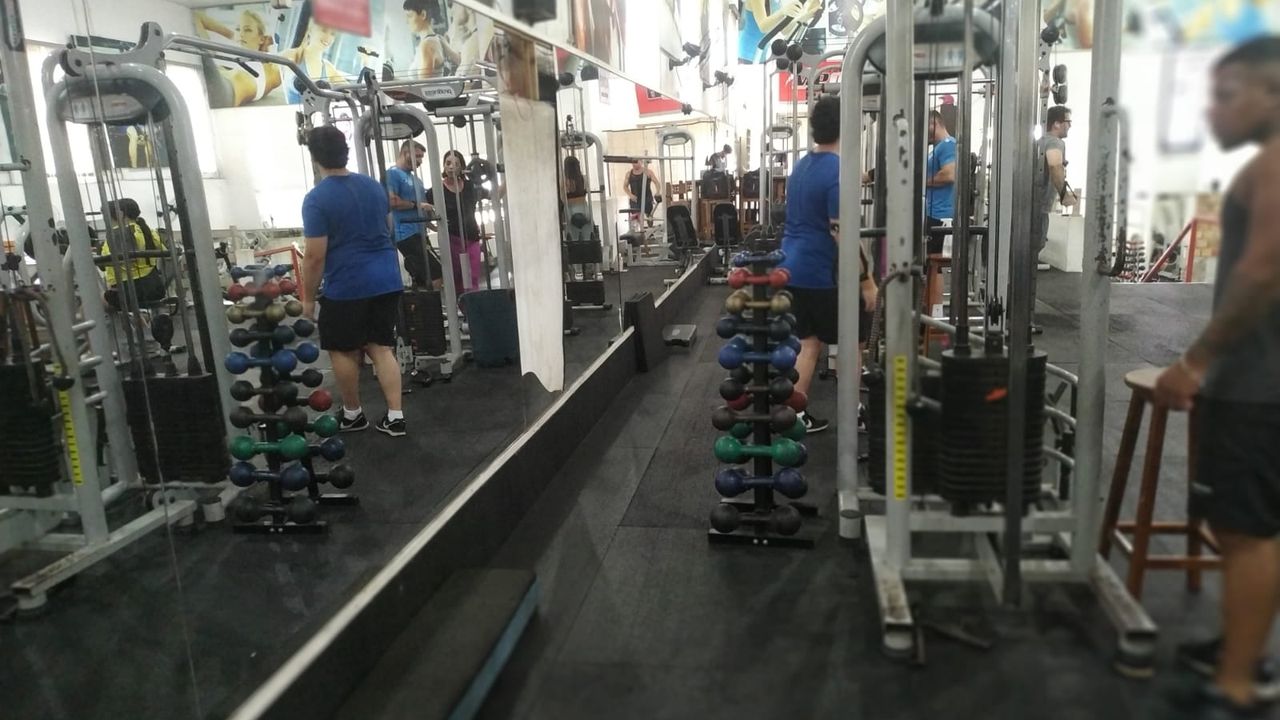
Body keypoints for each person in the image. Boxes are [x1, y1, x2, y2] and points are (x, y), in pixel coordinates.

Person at [1152, 35, 1280, 720]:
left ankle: (1238, 685)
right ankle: (1243, 649)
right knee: (1246, 527)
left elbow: (1263, 270)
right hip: (1260, 381)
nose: (1212, 111)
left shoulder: (1273, 165)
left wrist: (1194, 362)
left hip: (1257, 386)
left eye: (1227, 96)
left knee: (1246, 532)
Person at [777, 95, 877, 433]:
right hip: (822, 273)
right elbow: (841, 233)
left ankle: (795, 415)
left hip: (791, 267)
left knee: (809, 343)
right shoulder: (837, 172)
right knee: (852, 343)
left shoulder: (803, 166)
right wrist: (866, 281)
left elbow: (830, 187)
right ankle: (853, 414)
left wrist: (858, 177)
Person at [300, 126, 406, 438]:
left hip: (349, 284)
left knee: (342, 350)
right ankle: (395, 417)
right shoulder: (373, 186)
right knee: (381, 348)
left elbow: (314, 256)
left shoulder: (316, 199)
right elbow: (387, 227)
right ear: (345, 151)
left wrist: (307, 299)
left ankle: (353, 414)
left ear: (315, 158)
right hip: (387, 278)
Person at [1033, 105, 1078, 334]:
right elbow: (1054, 165)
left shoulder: (1038, 141)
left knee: (1022, 258)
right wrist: (1064, 194)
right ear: (1057, 124)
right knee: (1029, 259)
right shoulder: (1055, 143)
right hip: (1036, 209)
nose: (1070, 126)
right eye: (1068, 122)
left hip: (1027, 207)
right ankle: (1023, 315)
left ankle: (1014, 310)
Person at [425, 149, 490, 295]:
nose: (451, 167)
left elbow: (493, 194)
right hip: (451, 239)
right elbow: (423, 209)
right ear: (443, 166)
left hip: (472, 238)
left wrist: (507, 178)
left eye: (456, 164)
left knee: (472, 278)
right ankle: (459, 306)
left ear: (462, 167)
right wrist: (432, 227)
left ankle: (472, 307)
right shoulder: (436, 190)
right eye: (448, 163)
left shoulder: (470, 186)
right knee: (456, 280)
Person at [194, 9, 282, 108]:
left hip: (221, 92)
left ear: (261, 39)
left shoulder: (268, 66)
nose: (241, 34)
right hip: (206, 83)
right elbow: (197, 16)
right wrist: (233, 35)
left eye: (248, 30)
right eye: (238, 29)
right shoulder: (224, 54)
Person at [386, 140, 444, 289]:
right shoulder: (392, 174)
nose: (420, 161)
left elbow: (422, 209)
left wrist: (434, 226)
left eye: (421, 157)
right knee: (436, 273)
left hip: (419, 233)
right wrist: (417, 205)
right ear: (406, 153)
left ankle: (424, 303)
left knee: (423, 278)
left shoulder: (416, 179)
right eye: (417, 156)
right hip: (405, 235)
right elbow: (392, 201)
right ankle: (435, 304)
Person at [100, 198, 166, 312]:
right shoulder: (148, 231)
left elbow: (108, 263)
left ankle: (138, 317)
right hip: (155, 287)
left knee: (92, 304)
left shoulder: (119, 234)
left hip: (132, 291)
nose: (105, 221)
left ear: (120, 214)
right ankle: (140, 317)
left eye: (107, 217)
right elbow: (165, 253)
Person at [281, 20, 345, 104]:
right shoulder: (292, 55)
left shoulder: (329, 68)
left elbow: (350, 89)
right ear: (310, 30)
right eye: (323, 30)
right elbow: (290, 80)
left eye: (333, 34)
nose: (328, 37)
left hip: (318, 112)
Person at [925, 109, 957, 253]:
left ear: (934, 123)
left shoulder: (948, 144)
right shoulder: (936, 148)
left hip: (942, 218)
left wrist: (921, 182)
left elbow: (949, 175)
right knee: (928, 260)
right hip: (932, 215)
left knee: (935, 261)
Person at [563, 156, 593, 244]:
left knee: (573, 239)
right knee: (588, 237)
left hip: (570, 210)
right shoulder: (584, 178)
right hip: (584, 208)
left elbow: (562, 197)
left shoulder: (564, 181)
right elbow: (586, 190)